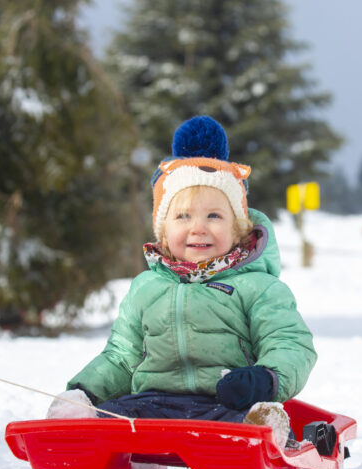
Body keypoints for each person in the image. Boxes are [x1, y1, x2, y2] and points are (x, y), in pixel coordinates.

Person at [46, 116, 316, 450]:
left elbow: (290, 343)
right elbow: (122, 356)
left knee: (247, 423)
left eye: (214, 216)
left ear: (239, 229)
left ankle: (265, 435)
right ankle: (83, 440)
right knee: (111, 418)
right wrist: (85, 393)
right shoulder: (146, 289)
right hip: (151, 407)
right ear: (163, 231)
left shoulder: (259, 288)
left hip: (226, 405)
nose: (198, 228)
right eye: (183, 216)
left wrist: (266, 378)